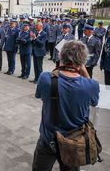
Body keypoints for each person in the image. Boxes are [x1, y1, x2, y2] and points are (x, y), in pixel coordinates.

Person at [32, 40, 99, 171]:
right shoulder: (92, 86)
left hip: (48, 139)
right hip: (74, 142)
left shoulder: (45, 78)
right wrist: (83, 69)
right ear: (82, 61)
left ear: (60, 57)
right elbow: (94, 102)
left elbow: (41, 97)